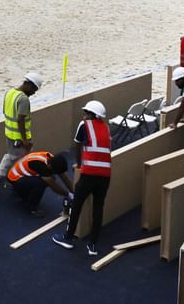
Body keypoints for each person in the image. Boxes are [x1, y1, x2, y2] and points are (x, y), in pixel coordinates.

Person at [52, 100, 111, 257]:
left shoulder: (84, 125)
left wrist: (79, 164)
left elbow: (77, 145)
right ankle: (92, 245)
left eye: (86, 112)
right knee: (98, 209)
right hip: (105, 175)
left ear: (92, 115)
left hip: (89, 173)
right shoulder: (105, 127)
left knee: (76, 204)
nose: (84, 115)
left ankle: (68, 238)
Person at [0, 73, 43, 193]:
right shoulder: (23, 99)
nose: (34, 93)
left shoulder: (10, 93)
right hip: (19, 137)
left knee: (13, 156)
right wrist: (25, 139)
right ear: (28, 84)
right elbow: (20, 119)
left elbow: (5, 111)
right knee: (21, 159)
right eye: (34, 89)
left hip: (9, 133)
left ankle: (9, 178)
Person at [6, 150, 74, 216]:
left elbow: (64, 177)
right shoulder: (41, 165)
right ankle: (31, 208)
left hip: (21, 174)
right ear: (49, 166)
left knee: (50, 178)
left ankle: (22, 192)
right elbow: (53, 186)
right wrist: (68, 194)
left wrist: (75, 192)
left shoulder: (52, 160)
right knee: (42, 183)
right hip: (15, 179)